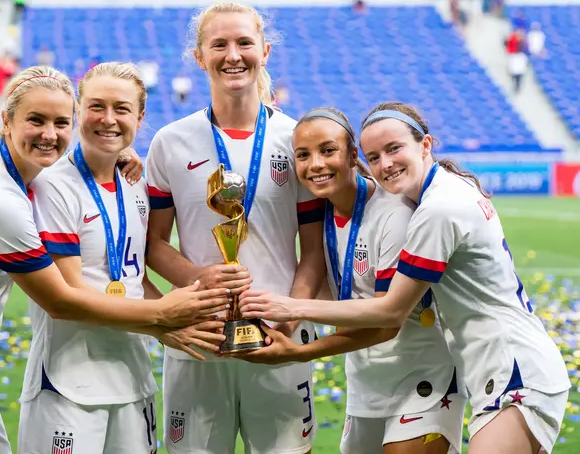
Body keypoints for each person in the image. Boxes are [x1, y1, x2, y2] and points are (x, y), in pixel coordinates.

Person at [0, 66, 230, 454]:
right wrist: (161, 317)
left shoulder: (20, 176)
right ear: (6, 121)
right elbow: (59, 300)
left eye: (60, 122)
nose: (49, 133)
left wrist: (115, 148)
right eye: (35, 121)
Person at [239, 102, 571, 454]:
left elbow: (389, 314)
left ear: (425, 145)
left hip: (511, 368)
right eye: (376, 155)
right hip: (480, 369)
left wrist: (290, 313)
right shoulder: (429, 196)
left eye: (394, 149)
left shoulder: (432, 210)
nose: (385, 164)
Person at [145, 1, 327, 454]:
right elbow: (153, 244)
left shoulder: (296, 139)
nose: (233, 54)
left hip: (279, 335)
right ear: (198, 57)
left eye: (244, 42)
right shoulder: (170, 141)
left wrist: (291, 314)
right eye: (219, 44)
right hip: (200, 334)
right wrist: (196, 280)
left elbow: (315, 251)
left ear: (264, 51)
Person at [18, 62, 226, 453]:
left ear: (140, 116)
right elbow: (69, 293)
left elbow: (131, 278)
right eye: (97, 106)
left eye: (122, 109)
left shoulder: (135, 183)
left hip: (133, 378)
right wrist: (163, 320)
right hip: (68, 383)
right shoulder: (53, 186)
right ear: (79, 109)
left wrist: (182, 314)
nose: (108, 119)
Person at [235, 107, 465, 454]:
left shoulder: (394, 214)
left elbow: (388, 322)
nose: (315, 164)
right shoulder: (321, 214)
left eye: (328, 151)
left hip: (422, 380)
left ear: (353, 155)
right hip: (365, 383)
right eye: (303, 155)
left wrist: (299, 350)